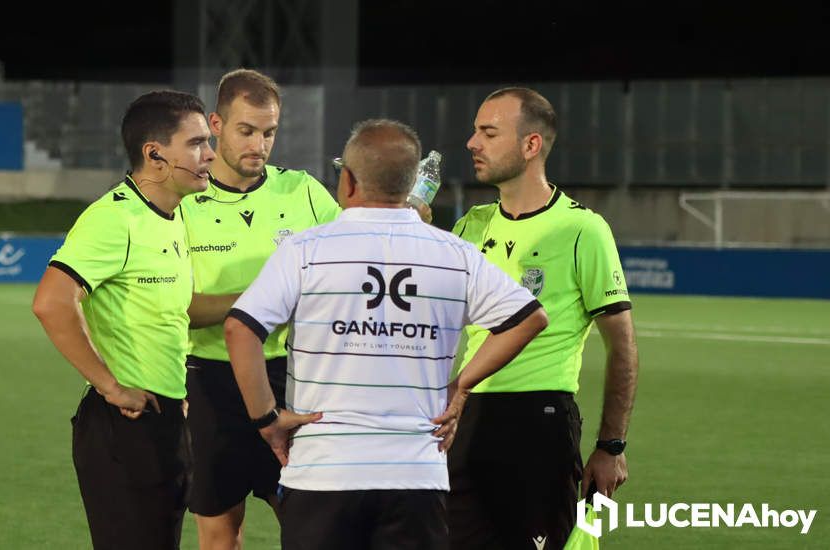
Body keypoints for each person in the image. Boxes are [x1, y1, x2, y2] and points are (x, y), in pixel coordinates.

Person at [222, 119, 549, 550]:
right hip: (416, 474)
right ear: (412, 182)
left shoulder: (305, 250)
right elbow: (530, 317)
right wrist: (461, 387)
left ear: (348, 180)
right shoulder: (454, 254)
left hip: (324, 471)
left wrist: (267, 419)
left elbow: (239, 327)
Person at [448, 87, 640, 549]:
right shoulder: (470, 226)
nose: (472, 143)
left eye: (488, 133)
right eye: (475, 131)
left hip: (539, 421)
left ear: (531, 145)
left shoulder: (582, 230)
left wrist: (611, 446)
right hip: (464, 417)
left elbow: (623, 347)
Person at [31, 90, 215, 549]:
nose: (210, 154)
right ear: (155, 155)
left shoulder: (173, 217)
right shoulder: (115, 218)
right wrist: (110, 385)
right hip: (125, 422)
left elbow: (176, 312)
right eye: (196, 143)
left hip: (166, 416)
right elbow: (51, 302)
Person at [179, 68, 340, 549]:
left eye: (269, 132)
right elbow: (179, 307)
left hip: (290, 377)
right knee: (220, 535)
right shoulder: (184, 201)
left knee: (315, 526)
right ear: (216, 125)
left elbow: (350, 257)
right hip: (209, 382)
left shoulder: (304, 191)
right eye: (246, 130)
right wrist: (267, 301)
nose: (259, 144)